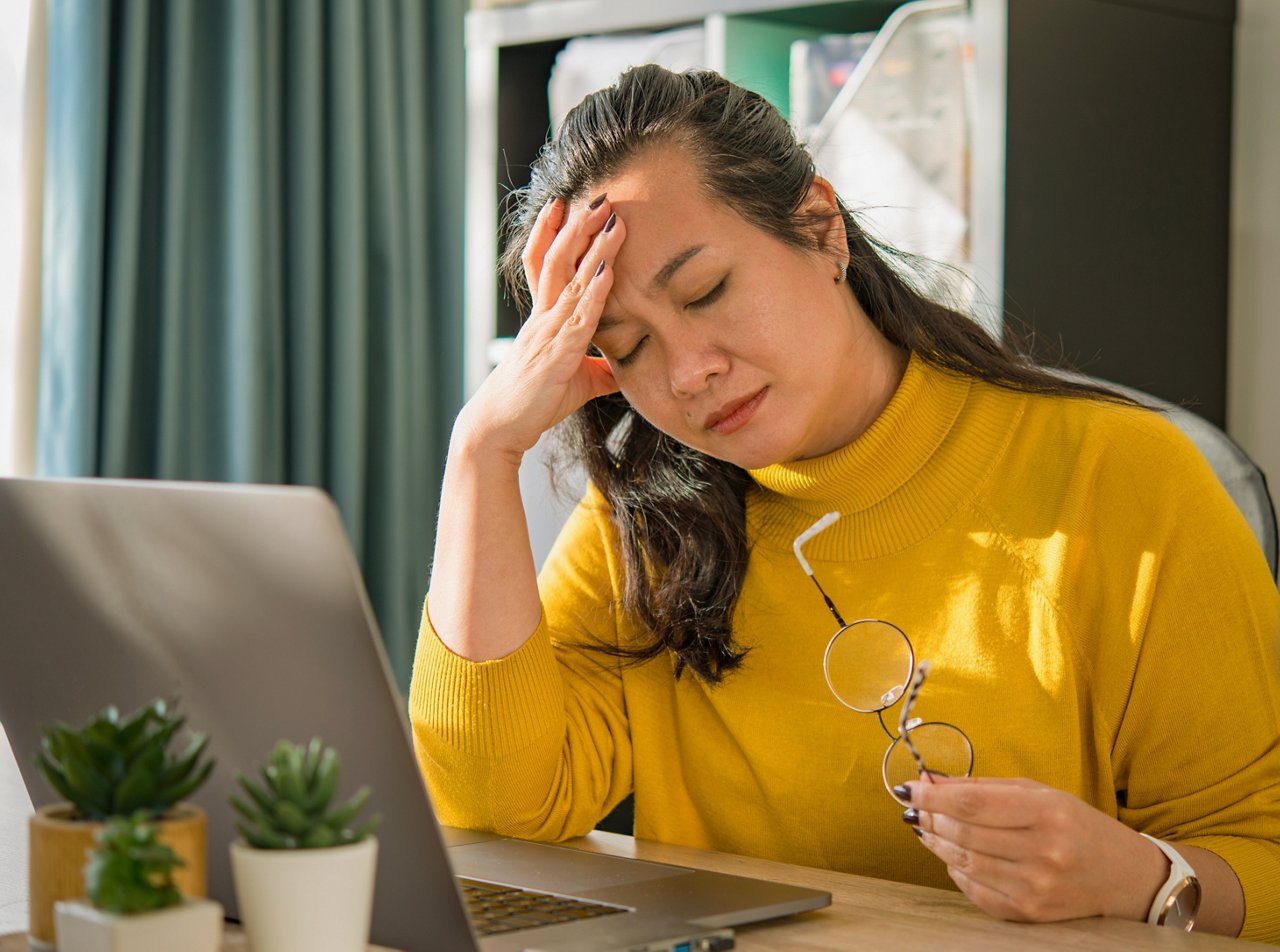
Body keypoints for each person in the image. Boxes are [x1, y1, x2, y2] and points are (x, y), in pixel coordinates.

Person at [409, 65, 1280, 941]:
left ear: (820, 228)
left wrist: (1144, 879)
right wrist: (482, 452)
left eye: (706, 292)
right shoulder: (648, 518)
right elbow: (492, 812)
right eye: (627, 347)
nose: (687, 374)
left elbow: (1264, 849)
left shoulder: (1127, 481)